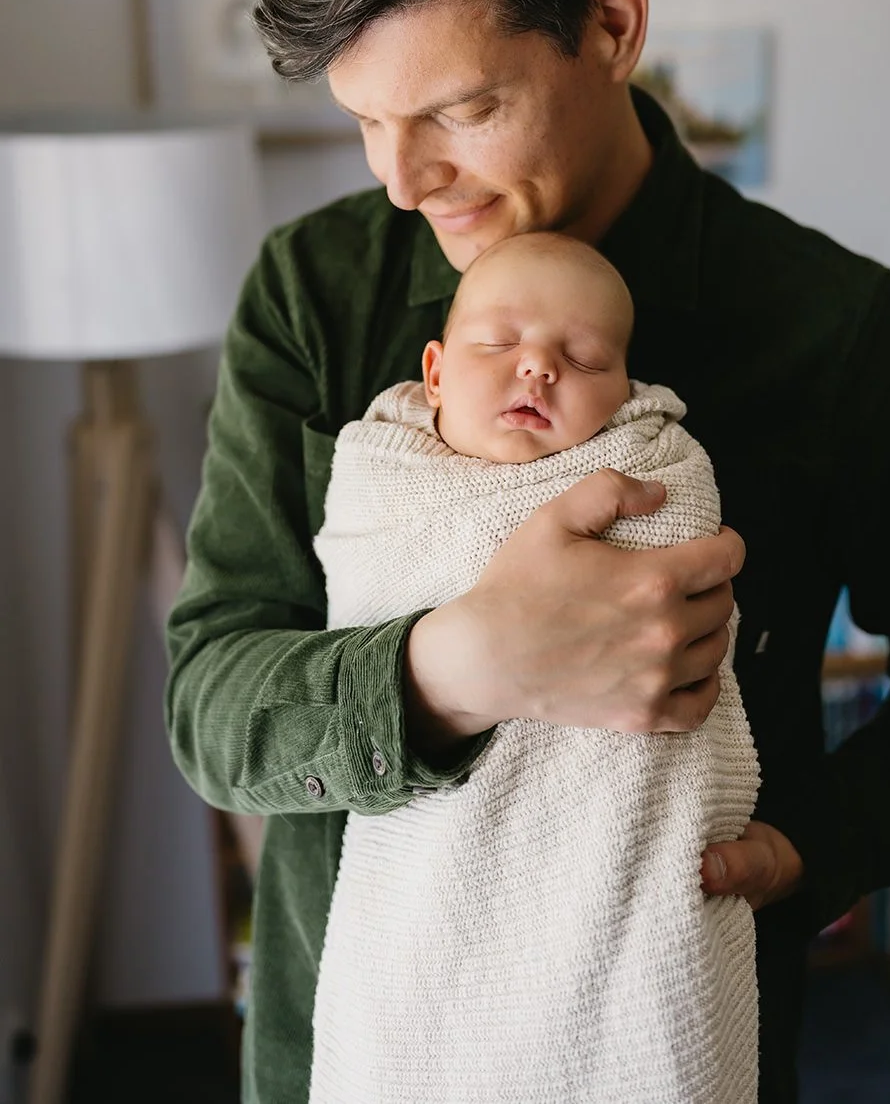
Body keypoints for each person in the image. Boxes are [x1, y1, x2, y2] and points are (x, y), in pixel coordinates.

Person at [164, 0, 890, 1104]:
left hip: (665, 1042)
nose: (403, 181)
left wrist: (807, 849)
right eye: (367, 124)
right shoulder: (317, 295)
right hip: (354, 1049)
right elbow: (208, 704)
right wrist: (455, 668)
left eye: (459, 110)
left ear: (614, 25)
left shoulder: (843, 340)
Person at [308, 231, 760, 1104]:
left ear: (628, 394)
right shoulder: (383, 475)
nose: (538, 369)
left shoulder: (652, 468)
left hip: (617, 886)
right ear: (433, 373)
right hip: (424, 892)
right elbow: (360, 589)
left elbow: (678, 543)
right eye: (498, 344)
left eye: (583, 358)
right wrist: (466, 654)